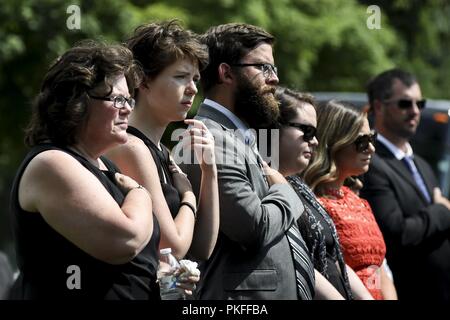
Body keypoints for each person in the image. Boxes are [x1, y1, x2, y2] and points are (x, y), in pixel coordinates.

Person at [8, 41, 159, 299]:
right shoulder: (52, 163)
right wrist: (140, 192)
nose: (127, 109)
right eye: (118, 99)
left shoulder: (105, 166)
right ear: (77, 100)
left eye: (130, 100)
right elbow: (125, 240)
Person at [175, 23, 314, 300]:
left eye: (274, 69)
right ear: (226, 73)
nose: (273, 79)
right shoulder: (210, 137)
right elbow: (253, 228)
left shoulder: (243, 136)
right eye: (263, 68)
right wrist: (285, 189)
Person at [106, 20, 219, 272]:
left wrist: (209, 172)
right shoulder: (131, 147)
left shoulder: (162, 152)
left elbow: (202, 249)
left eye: (195, 79)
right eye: (181, 77)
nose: (192, 89)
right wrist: (189, 195)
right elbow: (172, 246)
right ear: (143, 82)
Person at [360, 68, 450, 300]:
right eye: (404, 104)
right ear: (379, 106)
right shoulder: (370, 164)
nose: (415, 111)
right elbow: (396, 234)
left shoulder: (420, 163)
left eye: (420, 104)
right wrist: (441, 210)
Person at [276, 88, 374, 300]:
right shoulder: (269, 187)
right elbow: (300, 261)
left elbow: (334, 259)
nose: (315, 142)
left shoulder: (298, 186)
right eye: (307, 132)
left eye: (316, 133)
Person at [303, 100, 397, 300]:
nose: (371, 148)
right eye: (361, 141)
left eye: (372, 138)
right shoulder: (313, 204)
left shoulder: (358, 201)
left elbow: (378, 267)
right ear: (335, 143)